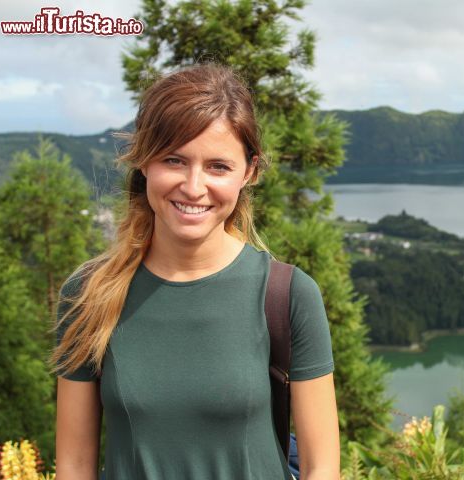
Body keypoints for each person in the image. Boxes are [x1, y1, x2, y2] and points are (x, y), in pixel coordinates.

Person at [50, 62, 340, 480]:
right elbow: (75, 467)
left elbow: (322, 468)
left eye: (218, 166)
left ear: (250, 172)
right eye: (174, 159)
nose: (193, 186)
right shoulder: (88, 293)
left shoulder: (287, 294)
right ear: (144, 163)